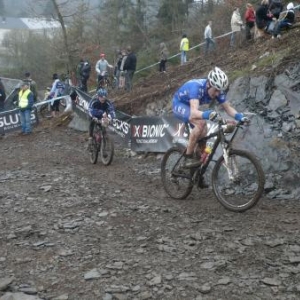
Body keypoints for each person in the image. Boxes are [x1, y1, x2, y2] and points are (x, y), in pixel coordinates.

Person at [172, 67, 247, 176]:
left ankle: (197, 163)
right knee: (201, 123)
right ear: (209, 84)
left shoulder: (217, 90)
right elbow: (193, 112)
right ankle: (187, 158)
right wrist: (207, 114)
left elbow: (228, 108)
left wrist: (240, 117)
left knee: (204, 131)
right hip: (179, 104)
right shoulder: (196, 88)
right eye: (216, 90)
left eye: (219, 91)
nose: (217, 93)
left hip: (192, 106)